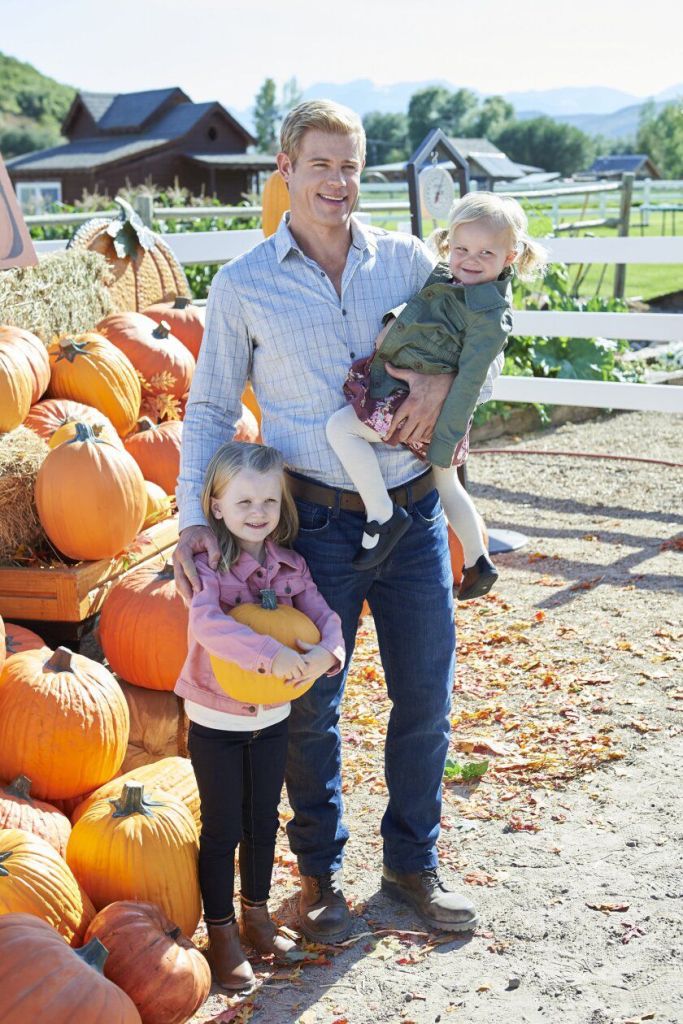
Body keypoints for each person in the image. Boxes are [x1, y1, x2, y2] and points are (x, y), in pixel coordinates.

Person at [175, 99, 502, 942]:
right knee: (311, 707)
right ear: (284, 170)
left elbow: (482, 344)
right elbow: (209, 408)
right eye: (320, 164)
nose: (337, 181)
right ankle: (319, 877)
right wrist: (191, 522)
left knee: (424, 697)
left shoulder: (409, 261)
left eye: (350, 165)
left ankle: (411, 866)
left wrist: (443, 390)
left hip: (412, 514)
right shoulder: (244, 283)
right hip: (313, 526)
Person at [175, 441, 345, 990]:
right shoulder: (208, 568)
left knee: (262, 820)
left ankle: (257, 916)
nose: (258, 512)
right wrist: (272, 655)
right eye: (244, 501)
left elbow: (325, 616)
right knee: (223, 827)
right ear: (216, 506)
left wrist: (326, 654)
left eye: (269, 501)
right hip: (218, 718)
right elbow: (208, 626)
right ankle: (221, 932)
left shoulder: (290, 566)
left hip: (271, 716)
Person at [326, 192, 547, 598]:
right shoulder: (450, 278)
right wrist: (393, 322)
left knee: (341, 429)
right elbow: (422, 308)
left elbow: (469, 383)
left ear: (510, 257)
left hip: (420, 409)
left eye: (485, 252)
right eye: (462, 249)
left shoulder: (490, 317)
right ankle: (478, 560)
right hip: (436, 414)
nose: (470, 260)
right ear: (449, 244)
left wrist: (443, 443)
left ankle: (382, 514)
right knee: (447, 486)